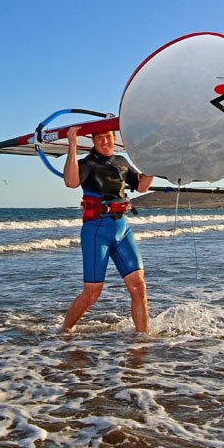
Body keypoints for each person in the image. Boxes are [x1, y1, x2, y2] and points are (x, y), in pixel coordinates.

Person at [61, 126, 154, 333]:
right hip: (96, 231)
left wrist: (152, 164)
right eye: (100, 137)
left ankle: (143, 339)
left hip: (122, 229)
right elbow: (70, 182)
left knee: (139, 286)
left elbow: (142, 187)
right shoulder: (86, 164)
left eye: (108, 137)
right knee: (92, 293)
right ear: (93, 140)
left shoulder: (121, 162)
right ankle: (64, 330)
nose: (105, 141)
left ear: (114, 138)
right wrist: (73, 145)